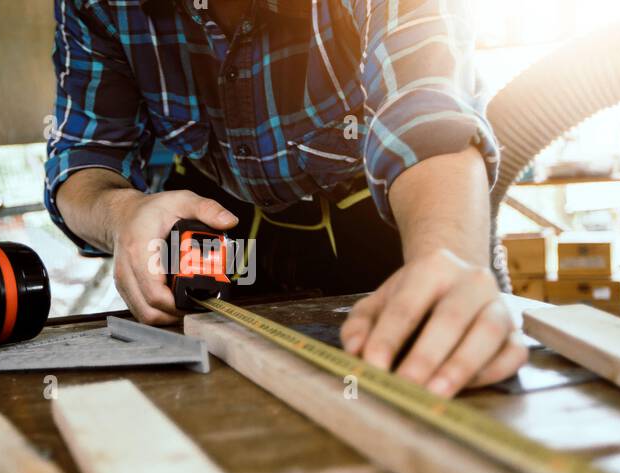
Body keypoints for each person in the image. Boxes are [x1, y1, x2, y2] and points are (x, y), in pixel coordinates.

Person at [43, 0, 526, 397]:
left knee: (434, 377)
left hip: (391, 229)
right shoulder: (97, 5)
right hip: (228, 240)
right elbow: (81, 161)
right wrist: (123, 212)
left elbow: (425, 112)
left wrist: (447, 255)